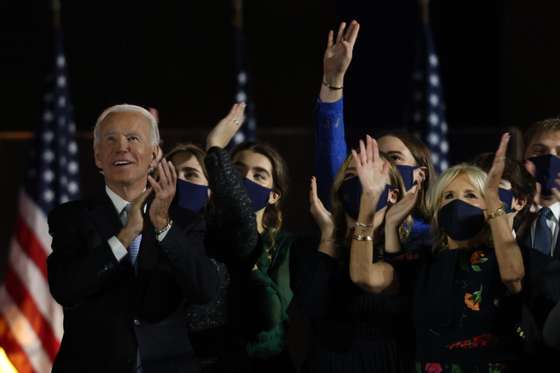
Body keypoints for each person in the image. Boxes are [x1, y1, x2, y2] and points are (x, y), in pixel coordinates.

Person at [47, 104, 219, 373]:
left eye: (133, 139)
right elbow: (66, 289)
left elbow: (205, 289)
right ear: (97, 156)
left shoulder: (184, 222)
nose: (121, 147)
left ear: (153, 155)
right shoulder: (70, 218)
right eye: (111, 139)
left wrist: (163, 227)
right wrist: (124, 237)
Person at [314, 20, 434, 252]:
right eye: (375, 156)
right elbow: (329, 151)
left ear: (420, 177)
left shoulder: (430, 240)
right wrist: (334, 81)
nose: (380, 164)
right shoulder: (337, 222)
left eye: (394, 157)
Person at [299, 135, 414, 372]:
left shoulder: (407, 253)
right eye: (352, 177)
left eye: (371, 175)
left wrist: (368, 206)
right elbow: (312, 308)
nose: (363, 181)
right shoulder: (314, 247)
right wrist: (329, 236)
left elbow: (365, 277)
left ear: (392, 194)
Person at [414, 133, 525, 372]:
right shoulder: (423, 262)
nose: (457, 203)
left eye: (471, 195)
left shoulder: (505, 257)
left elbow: (513, 277)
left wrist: (494, 200)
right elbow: (367, 278)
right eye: (448, 196)